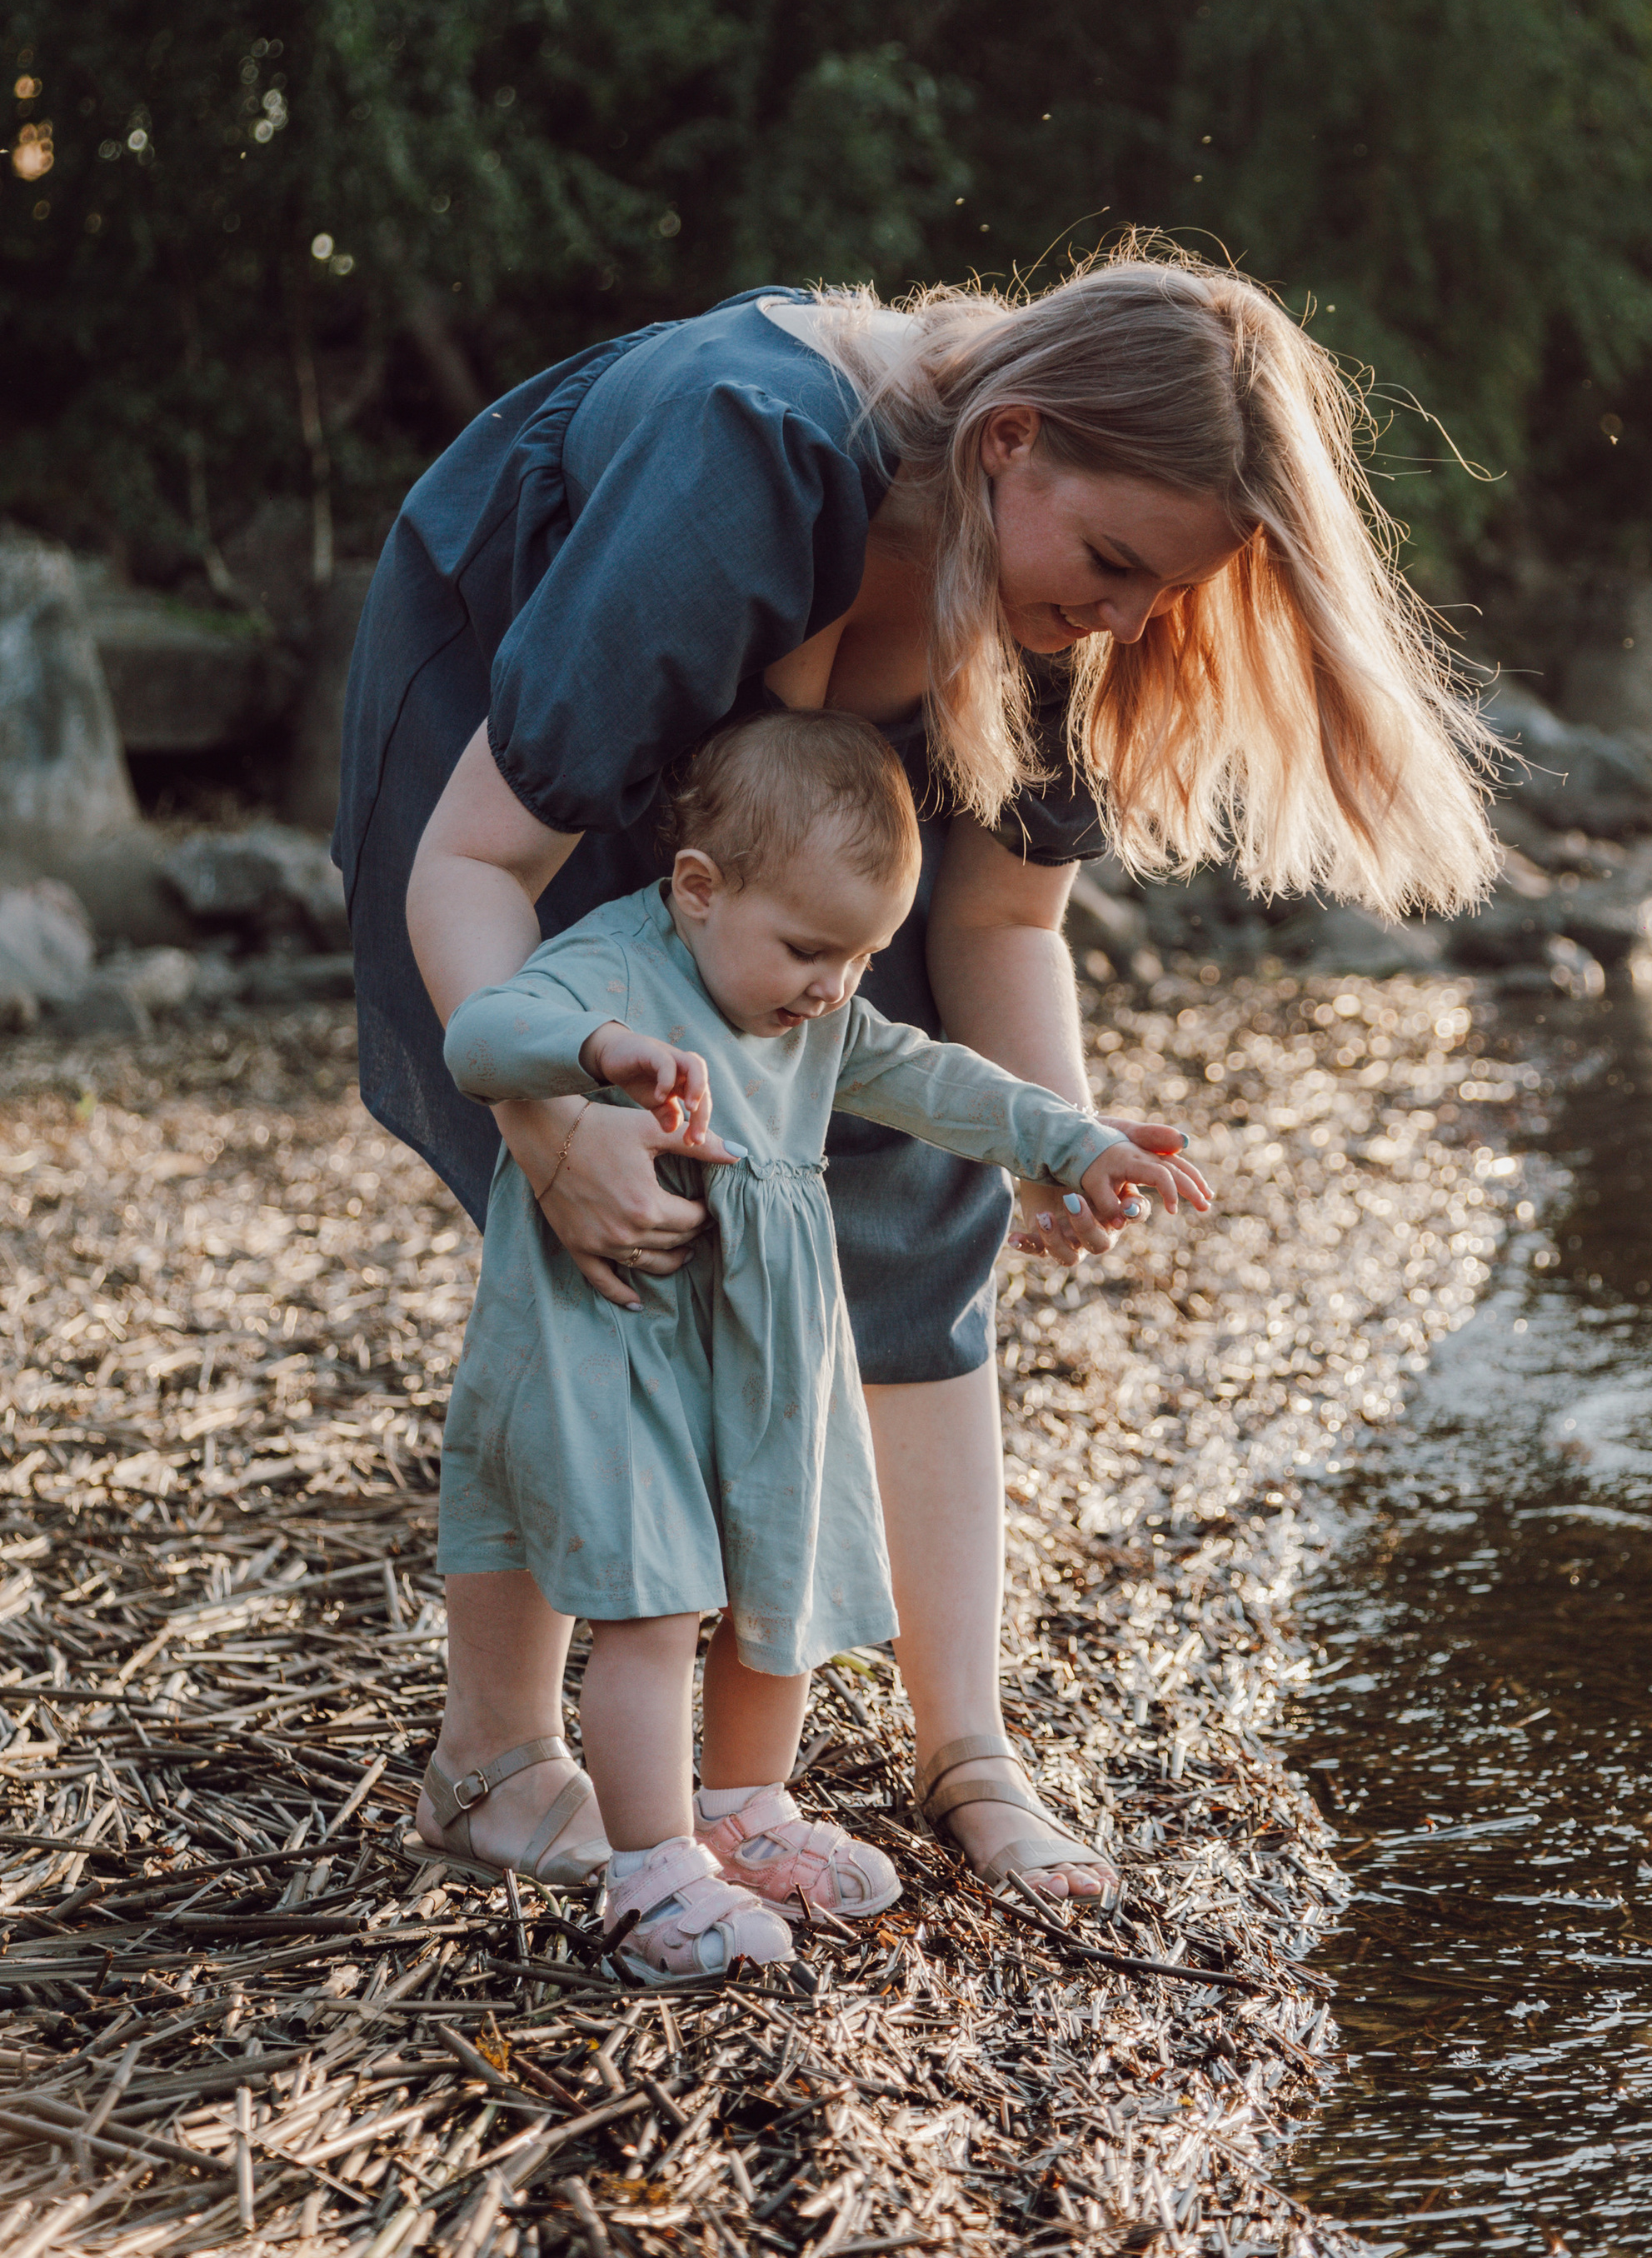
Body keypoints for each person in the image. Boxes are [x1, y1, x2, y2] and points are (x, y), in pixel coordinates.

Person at [337, 243, 1494, 1903]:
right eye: (1108, 564)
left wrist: (1054, 1141)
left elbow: (1006, 917)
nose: (1121, 619)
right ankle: (499, 1760)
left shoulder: (1062, 593)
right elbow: (472, 864)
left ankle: (972, 1759)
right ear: (1007, 441)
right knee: (612, 1235)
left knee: (912, 1197)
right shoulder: (746, 468)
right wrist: (546, 1120)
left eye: (1157, 594)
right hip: (533, 709)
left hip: (821, 736)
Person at [421, 708, 1205, 1976]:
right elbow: (475, 1035)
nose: (834, 987)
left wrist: (1076, 1140)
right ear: (696, 889)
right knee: (658, 1599)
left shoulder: (821, 1015)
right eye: (807, 950)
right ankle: (651, 1873)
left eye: (860, 958)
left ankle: (743, 1812)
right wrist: (589, 1053)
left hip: (770, 1362)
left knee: (772, 1586)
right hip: (622, 1345)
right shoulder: (614, 971)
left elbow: (940, 1081)